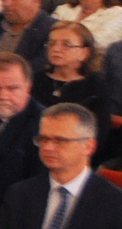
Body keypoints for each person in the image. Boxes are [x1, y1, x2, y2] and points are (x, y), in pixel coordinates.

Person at [37, 21, 111, 158]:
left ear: (84, 53)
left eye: (66, 44)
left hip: (75, 156)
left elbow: (99, 135)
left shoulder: (96, 87)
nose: (56, 49)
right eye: (52, 43)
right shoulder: (35, 79)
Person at [58, 0, 122, 57]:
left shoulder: (117, 13)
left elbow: (99, 42)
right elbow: (49, 35)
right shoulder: (64, 9)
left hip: (95, 62)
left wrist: (62, 42)